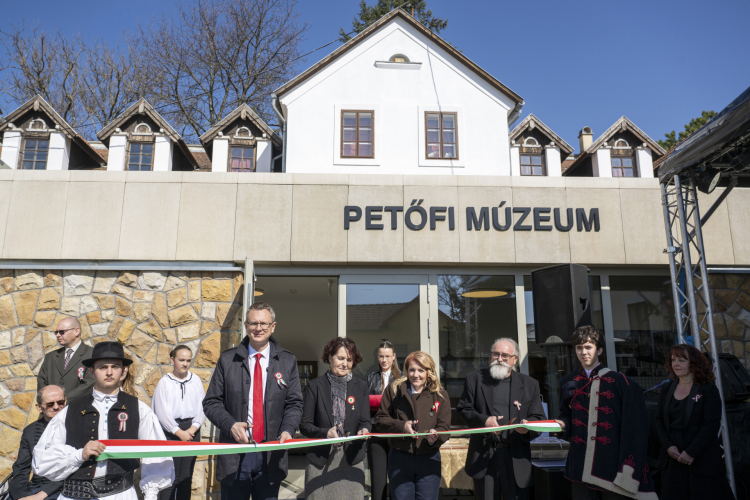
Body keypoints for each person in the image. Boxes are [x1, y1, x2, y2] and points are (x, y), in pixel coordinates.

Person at [32, 341, 174, 500]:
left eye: (115, 367)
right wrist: (79, 455)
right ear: (92, 372)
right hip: (74, 495)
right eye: (103, 367)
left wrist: (151, 494)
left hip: (120, 495)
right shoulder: (70, 411)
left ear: (123, 371)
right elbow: (41, 461)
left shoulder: (139, 409)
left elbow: (156, 453)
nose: (109, 372)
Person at [203, 302, 303, 500]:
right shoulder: (227, 360)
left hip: (271, 453)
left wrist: (288, 430)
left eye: (264, 323)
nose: (259, 328)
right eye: (253, 323)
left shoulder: (287, 361)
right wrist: (231, 425)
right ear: (246, 326)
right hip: (236, 453)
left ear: (273, 327)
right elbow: (211, 402)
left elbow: (294, 403)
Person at [555, 326, 656, 500]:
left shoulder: (621, 383)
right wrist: (562, 424)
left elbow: (635, 428)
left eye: (588, 347)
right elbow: (566, 414)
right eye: (579, 348)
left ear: (599, 350)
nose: (583, 352)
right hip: (579, 464)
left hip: (610, 465)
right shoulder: (566, 382)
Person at [457, 338, 546, 500]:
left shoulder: (529, 384)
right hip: (484, 456)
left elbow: (539, 418)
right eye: (495, 354)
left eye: (505, 355)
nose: (499, 359)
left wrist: (527, 427)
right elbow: (464, 409)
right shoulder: (475, 378)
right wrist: (485, 421)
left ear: (515, 359)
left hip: (515, 456)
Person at [654, 344, 735, 500]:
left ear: (694, 363)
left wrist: (691, 452)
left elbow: (710, 425)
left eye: (681, 360)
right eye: (673, 360)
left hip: (700, 462)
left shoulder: (708, 390)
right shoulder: (667, 388)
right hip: (673, 462)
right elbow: (659, 420)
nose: (676, 364)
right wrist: (668, 446)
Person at [300, 337, 371, 499]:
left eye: (349, 360)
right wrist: (326, 433)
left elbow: (365, 421)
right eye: (340, 358)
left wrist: (364, 430)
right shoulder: (315, 386)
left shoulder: (361, 387)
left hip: (352, 459)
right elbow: (305, 425)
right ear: (330, 357)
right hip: (320, 461)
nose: (345, 363)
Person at [374, 351, 451, 500]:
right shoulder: (394, 390)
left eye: (421, 370)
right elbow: (380, 420)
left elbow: (445, 428)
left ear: (429, 372)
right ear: (406, 371)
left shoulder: (440, 394)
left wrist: (434, 437)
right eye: (412, 370)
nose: (416, 375)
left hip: (429, 459)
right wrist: (402, 426)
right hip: (400, 458)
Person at [152, 345, 206, 500]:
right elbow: (160, 411)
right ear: (172, 360)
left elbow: (202, 406)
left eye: (188, 360)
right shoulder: (164, 382)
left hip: (192, 431)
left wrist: (193, 428)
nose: (185, 364)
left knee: (185, 476)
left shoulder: (195, 380)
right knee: (170, 476)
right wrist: (178, 432)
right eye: (181, 360)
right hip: (171, 433)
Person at [9, 386, 65, 500]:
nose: (56, 407)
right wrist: (19, 496)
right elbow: (21, 467)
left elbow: (74, 467)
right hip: (35, 487)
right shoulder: (30, 431)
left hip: (62, 489)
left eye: (60, 402)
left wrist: (41, 495)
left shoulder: (76, 427)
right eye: (50, 404)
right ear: (39, 407)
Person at [365, 340, 400, 500]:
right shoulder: (370, 377)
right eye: (381, 356)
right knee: (377, 477)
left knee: (396, 476)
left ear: (393, 357)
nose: (384, 360)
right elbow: (364, 405)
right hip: (376, 429)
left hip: (396, 431)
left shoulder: (402, 378)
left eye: (387, 356)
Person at [37, 318, 94, 401]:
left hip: (79, 406)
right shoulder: (50, 357)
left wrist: (62, 401)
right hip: (52, 407)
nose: (57, 335)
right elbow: (42, 382)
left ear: (76, 331)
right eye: (56, 332)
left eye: (62, 332)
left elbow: (89, 384)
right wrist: (50, 401)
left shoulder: (91, 354)